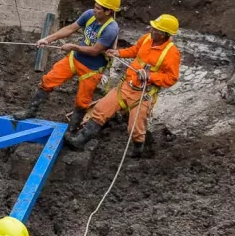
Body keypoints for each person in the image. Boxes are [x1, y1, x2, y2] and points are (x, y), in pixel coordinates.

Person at [66, 14, 181, 157]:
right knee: (101, 109)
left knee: (135, 128)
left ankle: (138, 152)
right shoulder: (146, 39)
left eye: (156, 29)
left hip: (142, 94)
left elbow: (171, 78)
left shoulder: (171, 53)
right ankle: (80, 141)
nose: (152, 30)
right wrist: (118, 53)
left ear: (164, 34)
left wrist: (150, 76)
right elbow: (134, 50)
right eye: (153, 27)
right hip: (125, 86)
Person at [13, 0, 121, 131]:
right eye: (95, 6)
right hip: (74, 59)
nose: (94, 9)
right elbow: (70, 28)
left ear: (108, 12)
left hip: (92, 68)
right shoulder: (90, 15)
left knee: (82, 101)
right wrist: (47, 39)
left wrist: (73, 46)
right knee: (48, 80)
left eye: (98, 8)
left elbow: (95, 51)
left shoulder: (111, 29)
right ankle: (30, 110)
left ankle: (72, 129)